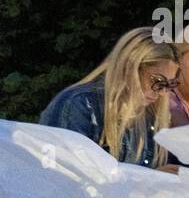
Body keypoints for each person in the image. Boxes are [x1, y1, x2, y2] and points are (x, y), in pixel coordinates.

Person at [39, 27, 180, 171]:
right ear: (129, 67)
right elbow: (62, 174)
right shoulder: (80, 104)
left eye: (169, 84)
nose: (162, 92)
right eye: (158, 80)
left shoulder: (150, 116)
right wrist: (148, 179)